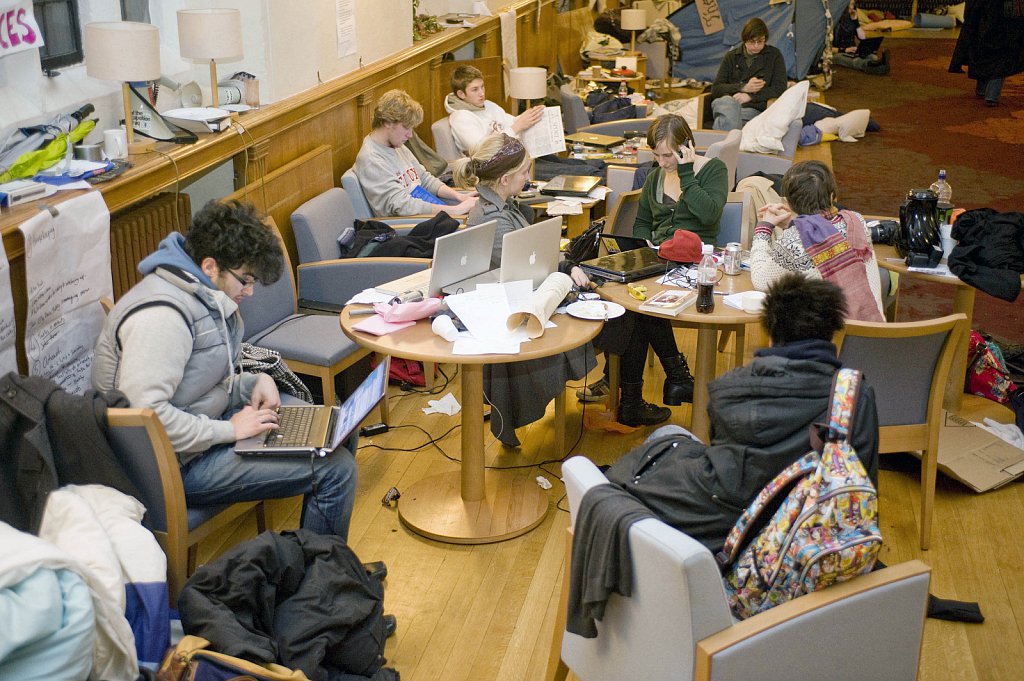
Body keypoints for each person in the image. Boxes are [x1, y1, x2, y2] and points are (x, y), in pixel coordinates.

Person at [91, 200, 359, 542]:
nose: (249, 291)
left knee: (338, 430)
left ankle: (311, 561)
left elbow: (201, 382)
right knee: (336, 471)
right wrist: (229, 430)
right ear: (209, 266)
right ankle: (318, 573)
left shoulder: (204, 295)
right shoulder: (162, 318)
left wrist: (252, 383)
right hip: (169, 468)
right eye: (245, 280)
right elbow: (146, 420)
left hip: (203, 434)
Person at [606, 274, 880, 555]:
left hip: (738, 539)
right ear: (832, 332)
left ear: (770, 332)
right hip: (818, 543)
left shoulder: (731, 390)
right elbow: (864, 481)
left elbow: (725, 469)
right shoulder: (856, 395)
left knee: (664, 438)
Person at [450, 134, 598, 443]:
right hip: (519, 303)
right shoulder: (493, 220)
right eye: (523, 172)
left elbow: (533, 257)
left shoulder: (503, 206)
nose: (528, 177)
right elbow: (528, 271)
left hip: (529, 288)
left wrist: (568, 266)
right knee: (612, 315)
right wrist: (565, 270)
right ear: (504, 179)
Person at [749, 160, 885, 322]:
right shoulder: (856, 221)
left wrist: (763, 228)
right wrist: (794, 225)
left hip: (830, 335)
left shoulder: (793, 240)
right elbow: (826, 234)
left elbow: (761, 281)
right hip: (873, 329)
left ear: (789, 202)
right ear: (832, 196)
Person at [354, 89, 477, 217]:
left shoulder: (397, 146)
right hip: (408, 222)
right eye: (406, 127)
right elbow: (400, 205)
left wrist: (459, 197)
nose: (410, 135)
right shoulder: (371, 159)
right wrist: (455, 210)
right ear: (388, 122)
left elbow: (424, 179)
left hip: (426, 213)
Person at [633, 113, 729, 245]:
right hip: (659, 252)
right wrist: (644, 244)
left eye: (667, 155)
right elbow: (642, 223)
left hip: (697, 253)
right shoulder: (654, 178)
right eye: (656, 155)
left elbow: (709, 216)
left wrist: (686, 174)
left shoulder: (714, 169)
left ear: (686, 147)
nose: (661, 163)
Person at [444, 64, 545, 155]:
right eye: (475, 89)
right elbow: (483, 151)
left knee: (551, 159)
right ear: (461, 94)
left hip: (512, 153)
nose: (482, 93)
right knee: (552, 167)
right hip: (491, 165)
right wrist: (517, 127)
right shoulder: (460, 118)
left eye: (482, 87)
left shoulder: (488, 105)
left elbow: (511, 122)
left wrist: (533, 114)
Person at [709, 18, 788, 131]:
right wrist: (743, 87)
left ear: (765, 39)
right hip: (728, 105)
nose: (756, 46)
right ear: (744, 40)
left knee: (723, 121)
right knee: (727, 103)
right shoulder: (731, 57)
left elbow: (779, 88)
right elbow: (716, 88)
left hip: (752, 109)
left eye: (760, 42)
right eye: (752, 42)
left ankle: (721, 140)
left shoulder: (774, 56)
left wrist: (751, 96)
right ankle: (730, 137)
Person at [949, 0, 1024, 107]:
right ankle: (991, 94)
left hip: (981, 9)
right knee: (1003, 53)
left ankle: (982, 89)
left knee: (982, 45)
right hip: (1004, 14)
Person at [832, 0, 890, 75]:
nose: (851, 7)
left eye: (852, 4)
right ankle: (874, 67)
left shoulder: (851, 20)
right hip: (837, 53)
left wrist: (856, 22)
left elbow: (862, 37)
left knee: (872, 57)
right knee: (855, 61)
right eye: (848, 5)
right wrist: (844, 50)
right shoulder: (833, 21)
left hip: (852, 51)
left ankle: (876, 65)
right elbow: (826, 49)